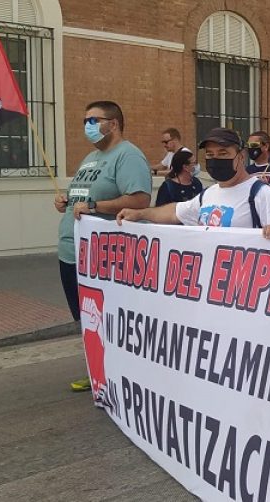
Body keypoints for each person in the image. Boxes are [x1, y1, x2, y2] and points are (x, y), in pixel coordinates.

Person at [55, 101, 152, 391]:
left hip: (102, 256)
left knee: (106, 317)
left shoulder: (128, 156)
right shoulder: (90, 158)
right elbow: (79, 200)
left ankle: (120, 374)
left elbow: (139, 200)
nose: (88, 126)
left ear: (114, 122)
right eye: (85, 120)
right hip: (71, 251)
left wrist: (96, 205)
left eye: (94, 120)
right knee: (85, 318)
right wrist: (65, 203)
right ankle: (97, 368)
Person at [118, 127, 270, 236]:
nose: (215, 159)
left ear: (240, 157)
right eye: (210, 154)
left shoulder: (259, 193)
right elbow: (174, 212)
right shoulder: (207, 194)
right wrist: (139, 213)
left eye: (223, 154)